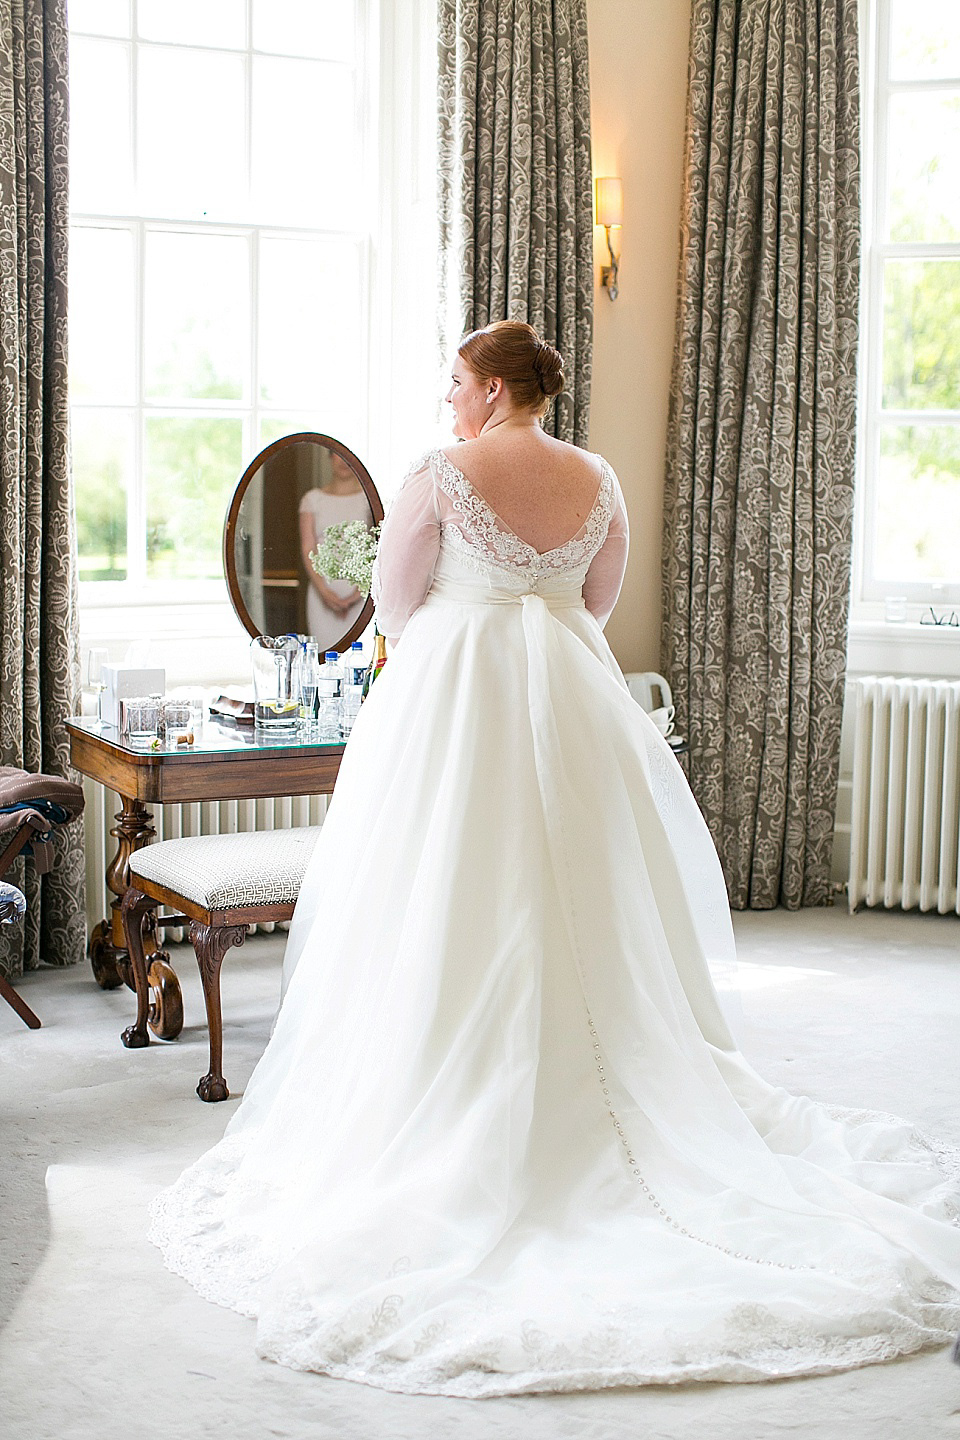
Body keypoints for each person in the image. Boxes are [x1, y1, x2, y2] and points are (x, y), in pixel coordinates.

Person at [150, 321, 960, 1398]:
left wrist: (466, 616)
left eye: (453, 382)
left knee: (449, 891)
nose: (445, 399)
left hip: (455, 697)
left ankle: (449, 1084)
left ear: (489, 389)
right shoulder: (598, 475)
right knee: (587, 890)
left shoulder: (441, 472)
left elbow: (390, 604)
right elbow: (597, 603)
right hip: (574, 697)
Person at [298, 450, 370, 650]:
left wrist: (357, 594)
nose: (343, 462)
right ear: (329, 457)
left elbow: (377, 545)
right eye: (337, 455)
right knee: (324, 657)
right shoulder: (312, 499)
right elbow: (308, 548)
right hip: (322, 594)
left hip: (360, 595)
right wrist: (325, 593)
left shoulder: (367, 499)